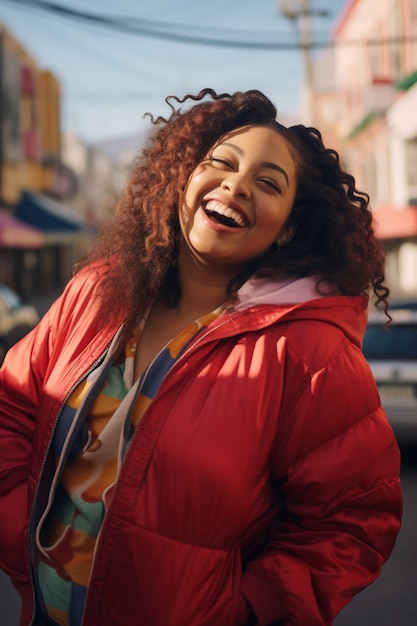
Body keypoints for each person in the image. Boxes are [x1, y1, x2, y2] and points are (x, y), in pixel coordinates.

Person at [0, 88, 402, 626]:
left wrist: (247, 608)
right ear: (184, 180)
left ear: (285, 228)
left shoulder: (309, 354)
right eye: (222, 164)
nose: (236, 186)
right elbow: (14, 407)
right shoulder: (95, 292)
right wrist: (12, 521)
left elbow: (354, 519)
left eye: (267, 182)